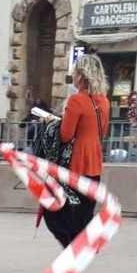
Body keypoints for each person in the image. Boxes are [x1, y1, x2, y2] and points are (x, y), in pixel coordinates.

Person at [40, 54, 110, 255]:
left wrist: (52, 122)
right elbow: (102, 132)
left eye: (76, 72)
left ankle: (74, 253)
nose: (74, 76)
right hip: (94, 162)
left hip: (75, 163)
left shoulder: (77, 100)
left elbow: (65, 135)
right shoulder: (104, 101)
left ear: (82, 75)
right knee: (83, 213)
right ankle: (83, 248)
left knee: (55, 213)